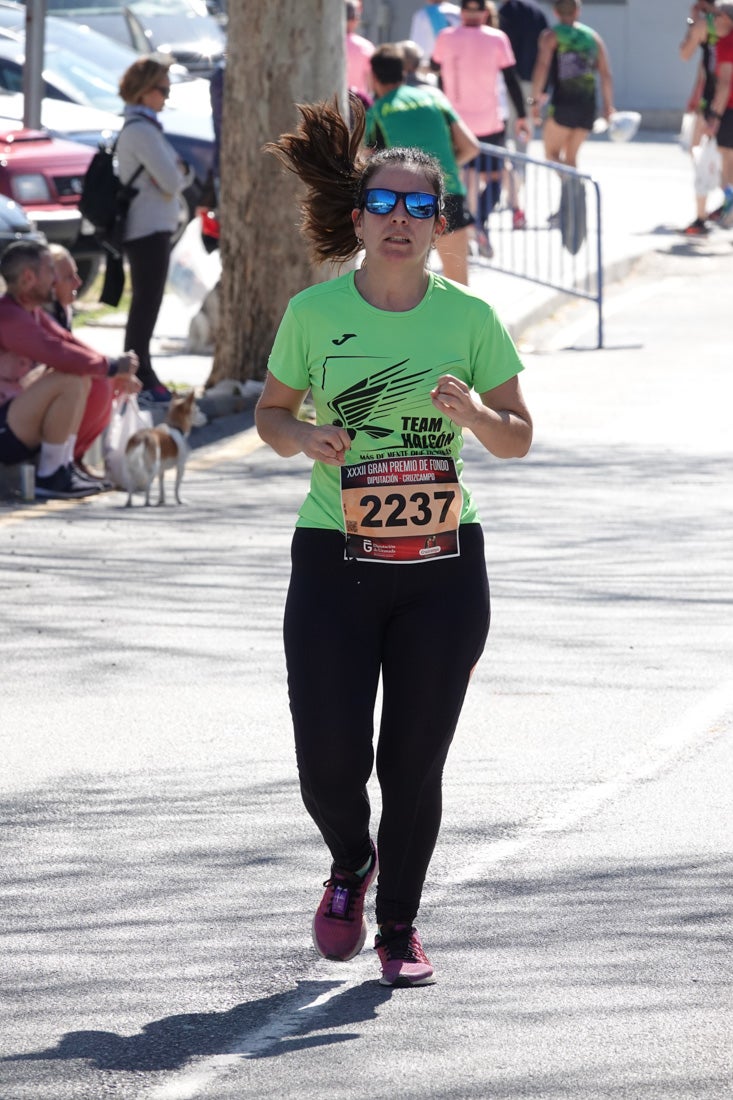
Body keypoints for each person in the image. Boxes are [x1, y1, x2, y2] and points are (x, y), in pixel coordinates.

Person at [257, 96, 532, 987]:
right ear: (358, 220)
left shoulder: (470, 317)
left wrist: (478, 412)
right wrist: (301, 437)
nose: (401, 222)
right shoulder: (311, 312)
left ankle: (400, 926)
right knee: (327, 756)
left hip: (444, 568)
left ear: (440, 221)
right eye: (384, 206)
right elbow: (269, 414)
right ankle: (350, 861)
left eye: (420, 208)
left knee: (412, 759)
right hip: (334, 555)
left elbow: (517, 435)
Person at [0, 241, 140, 499]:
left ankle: (63, 467)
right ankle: (51, 474)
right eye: (49, 272)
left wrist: (114, 367)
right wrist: (110, 366)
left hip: (12, 420)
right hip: (4, 429)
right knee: (69, 378)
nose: (54, 279)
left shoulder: (30, 313)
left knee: (80, 376)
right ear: (29, 277)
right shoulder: (7, 315)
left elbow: (68, 342)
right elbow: (55, 352)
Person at [365, 44, 480, 285]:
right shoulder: (434, 98)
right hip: (448, 194)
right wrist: (438, 170)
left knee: (403, 286)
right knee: (459, 286)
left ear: (374, 77)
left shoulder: (377, 112)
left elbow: (365, 161)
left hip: (402, 205)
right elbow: (471, 146)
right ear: (404, 72)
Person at [117, 56, 190, 406]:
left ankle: (140, 371)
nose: (166, 97)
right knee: (145, 304)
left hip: (153, 226)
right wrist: (175, 174)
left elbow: (172, 178)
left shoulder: (146, 127)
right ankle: (137, 374)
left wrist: (174, 175)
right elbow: (175, 178)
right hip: (146, 228)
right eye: (162, 90)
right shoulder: (141, 131)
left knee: (148, 303)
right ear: (145, 92)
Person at [432, 0, 531, 254]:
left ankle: (466, 227)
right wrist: (522, 115)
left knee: (463, 177)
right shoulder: (497, 38)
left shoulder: (445, 36)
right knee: (497, 176)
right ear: (486, 12)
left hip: (456, 121)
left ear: (462, 12)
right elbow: (511, 80)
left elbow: (437, 71)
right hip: (490, 122)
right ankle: (478, 223)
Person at [528, 0, 614, 175]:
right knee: (571, 158)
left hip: (564, 104)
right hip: (588, 107)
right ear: (577, 11)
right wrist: (608, 107)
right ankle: (573, 198)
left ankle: (574, 189)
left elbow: (542, 66)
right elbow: (606, 75)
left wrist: (534, 101)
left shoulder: (551, 35)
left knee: (551, 154)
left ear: (555, 12)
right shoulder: (593, 37)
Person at [679, 1, 719, 235]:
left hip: (716, 101)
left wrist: (693, 21)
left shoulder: (706, 25)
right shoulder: (726, 19)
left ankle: (702, 216)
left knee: (699, 152)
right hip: (716, 97)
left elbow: (685, 52)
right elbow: (704, 69)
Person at [703, 2, 733, 227]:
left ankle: (730, 209)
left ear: (724, 17)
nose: (711, 22)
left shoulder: (726, 42)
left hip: (730, 110)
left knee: (727, 160)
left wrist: (714, 115)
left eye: (714, 17)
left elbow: (724, 83)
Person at [345, 0, 374, 102]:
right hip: (357, 103)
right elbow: (371, 85)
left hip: (327, 104)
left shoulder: (326, 44)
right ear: (355, 19)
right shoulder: (365, 47)